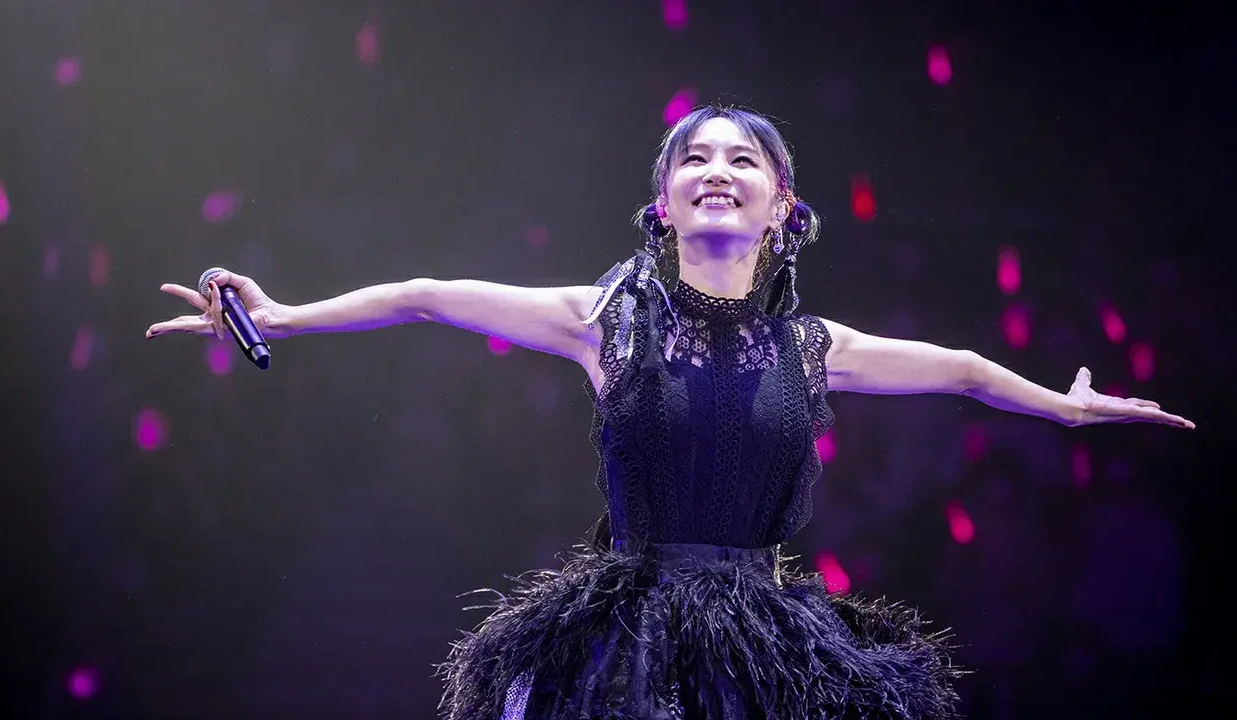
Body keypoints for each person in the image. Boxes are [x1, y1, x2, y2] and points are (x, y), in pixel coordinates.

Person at [147, 105, 1194, 719]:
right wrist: (284, 317)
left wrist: (1063, 411)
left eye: (742, 159)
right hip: (627, 636)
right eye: (693, 157)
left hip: (767, 636)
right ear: (664, 205)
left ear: (782, 209)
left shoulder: (812, 348)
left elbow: (962, 368)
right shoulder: (601, 319)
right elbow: (425, 295)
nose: (715, 171)